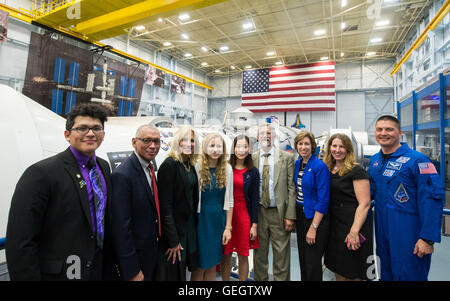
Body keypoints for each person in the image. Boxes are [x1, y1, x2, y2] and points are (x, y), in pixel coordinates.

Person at [6, 103, 117, 281]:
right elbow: (20, 241)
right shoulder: (41, 173)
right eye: (82, 128)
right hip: (60, 273)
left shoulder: (103, 167)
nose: (90, 134)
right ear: (67, 135)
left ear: (103, 135)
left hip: (98, 267)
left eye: (96, 128)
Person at [369, 115, 445, 281]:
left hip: (409, 232)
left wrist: (427, 238)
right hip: (382, 231)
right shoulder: (375, 162)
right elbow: (368, 195)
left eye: (389, 129)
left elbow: (432, 198)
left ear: (400, 133)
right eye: (379, 129)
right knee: (384, 274)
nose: (384, 133)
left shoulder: (417, 160)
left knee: (410, 275)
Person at [111, 125, 161, 281]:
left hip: (151, 252)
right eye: (146, 141)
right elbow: (121, 228)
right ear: (134, 142)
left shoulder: (149, 168)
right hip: (136, 260)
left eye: (156, 141)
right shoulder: (123, 175)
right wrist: (132, 270)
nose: (153, 146)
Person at [323, 133, 373, 281]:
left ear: (348, 150)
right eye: (334, 146)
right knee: (338, 267)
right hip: (335, 227)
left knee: (353, 270)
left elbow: (365, 204)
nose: (337, 150)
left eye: (341, 146)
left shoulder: (356, 171)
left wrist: (354, 231)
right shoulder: (328, 169)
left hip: (352, 225)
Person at [156, 125, 201, 281]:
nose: (189, 144)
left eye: (192, 140)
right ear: (178, 142)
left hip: (188, 227)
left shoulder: (189, 164)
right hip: (175, 232)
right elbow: (165, 207)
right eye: (184, 140)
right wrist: (173, 240)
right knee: (174, 273)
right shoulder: (169, 165)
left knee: (184, 271)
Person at [252, 124, 296, 281]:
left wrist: (290, 215)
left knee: (281, 255)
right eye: (262, 133)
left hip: (279, 213)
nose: (266, 135)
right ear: (258, 137)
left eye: (269, 133)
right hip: (258, 212)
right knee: (259, 255)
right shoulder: (252, 159)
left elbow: (291, 188)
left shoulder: (286, 158)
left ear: (274, 137)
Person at [191, 133, 233, 281]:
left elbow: (230, 201)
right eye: (212, 145)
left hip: (218, 221)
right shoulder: (197, 167)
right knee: (200, 266)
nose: (215, 149)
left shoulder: (227, 168)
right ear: (205, 147)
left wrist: (228, 228)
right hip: (201, 220)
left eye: (219, 146)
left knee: (213, 264)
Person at [221, 135, 261, 281]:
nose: (242, 150)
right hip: (227, 215)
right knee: (225, 254)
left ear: (249, 149)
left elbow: (255, 199)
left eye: (245, 147)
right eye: (239, 146)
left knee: (243, 255)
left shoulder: (253, 172)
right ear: (234, 148)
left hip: (244, 215)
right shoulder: (225, 168)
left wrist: (254, 225)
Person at [293, 130, 330, 281]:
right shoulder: (298, 164)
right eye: (300, 144)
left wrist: (313, 228)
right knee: (302, 258)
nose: (303, 147)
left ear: (312, 146)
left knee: (312, 263)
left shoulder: (319, 167)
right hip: (301, 215)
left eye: (306, 144)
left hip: (315, 218)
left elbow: (323, 200)